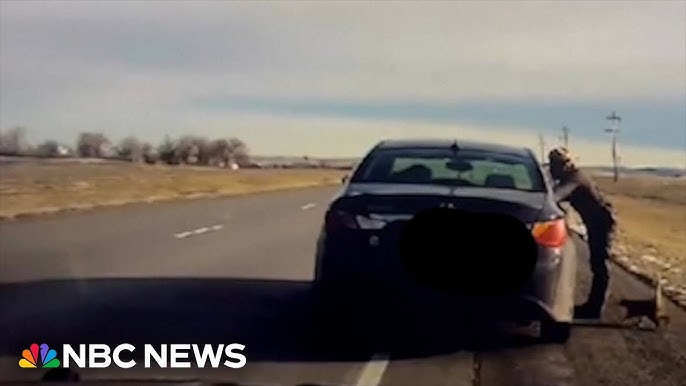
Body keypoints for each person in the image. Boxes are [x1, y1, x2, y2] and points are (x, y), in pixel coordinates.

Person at [548, 147, 617, 319]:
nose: (552, 170)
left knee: (599, 263)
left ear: (564, 165)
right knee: (597, 262)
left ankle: (595, 309)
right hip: (597, 220)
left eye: (554, 165)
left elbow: (557, 196)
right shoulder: (573, 176)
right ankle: (594, 306)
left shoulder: (575, 179)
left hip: (601, 221)